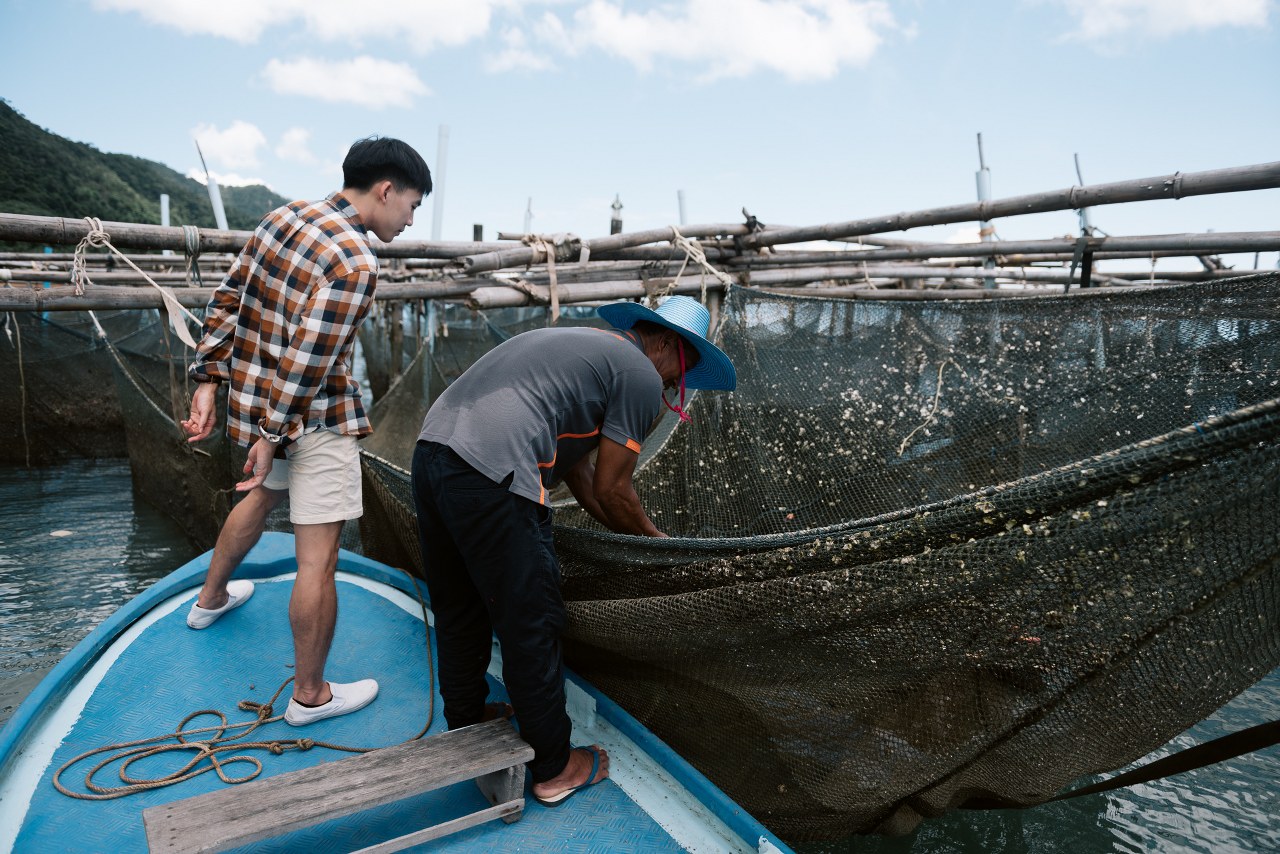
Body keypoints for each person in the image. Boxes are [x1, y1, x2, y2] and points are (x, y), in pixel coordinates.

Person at [411, 294, 736, 805]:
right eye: (685, 370)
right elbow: (613, 489)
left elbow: (579, 472)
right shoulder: (641, 376)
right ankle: (555, 766)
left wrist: (623, 530)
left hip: (433, 454)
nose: (678, 386)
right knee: (531, 622)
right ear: (669, 345)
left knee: (459, 605)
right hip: (494, 470)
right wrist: (656, 546)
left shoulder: (587, 349)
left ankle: (467, 719)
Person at [181, 136, 431, 726]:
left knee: (261, 495)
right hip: (311, 419)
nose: (411, 219)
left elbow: (229, 299)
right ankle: (311, 696)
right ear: (386, 190)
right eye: (412, 205)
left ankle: (209, 600)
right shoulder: (356, 261)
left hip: (258, 406)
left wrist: (208, 379)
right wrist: (272, 436)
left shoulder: (284, 216)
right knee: (317, 560)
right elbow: (306, 362)